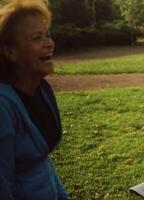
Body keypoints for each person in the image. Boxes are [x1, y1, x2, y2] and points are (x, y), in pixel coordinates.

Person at [0, 0, 71, 199]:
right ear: (9, 51)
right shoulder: (3, 107)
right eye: (37, 38)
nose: (49, 43)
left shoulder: (41, 89)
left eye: (48, 35)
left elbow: (41, 162)